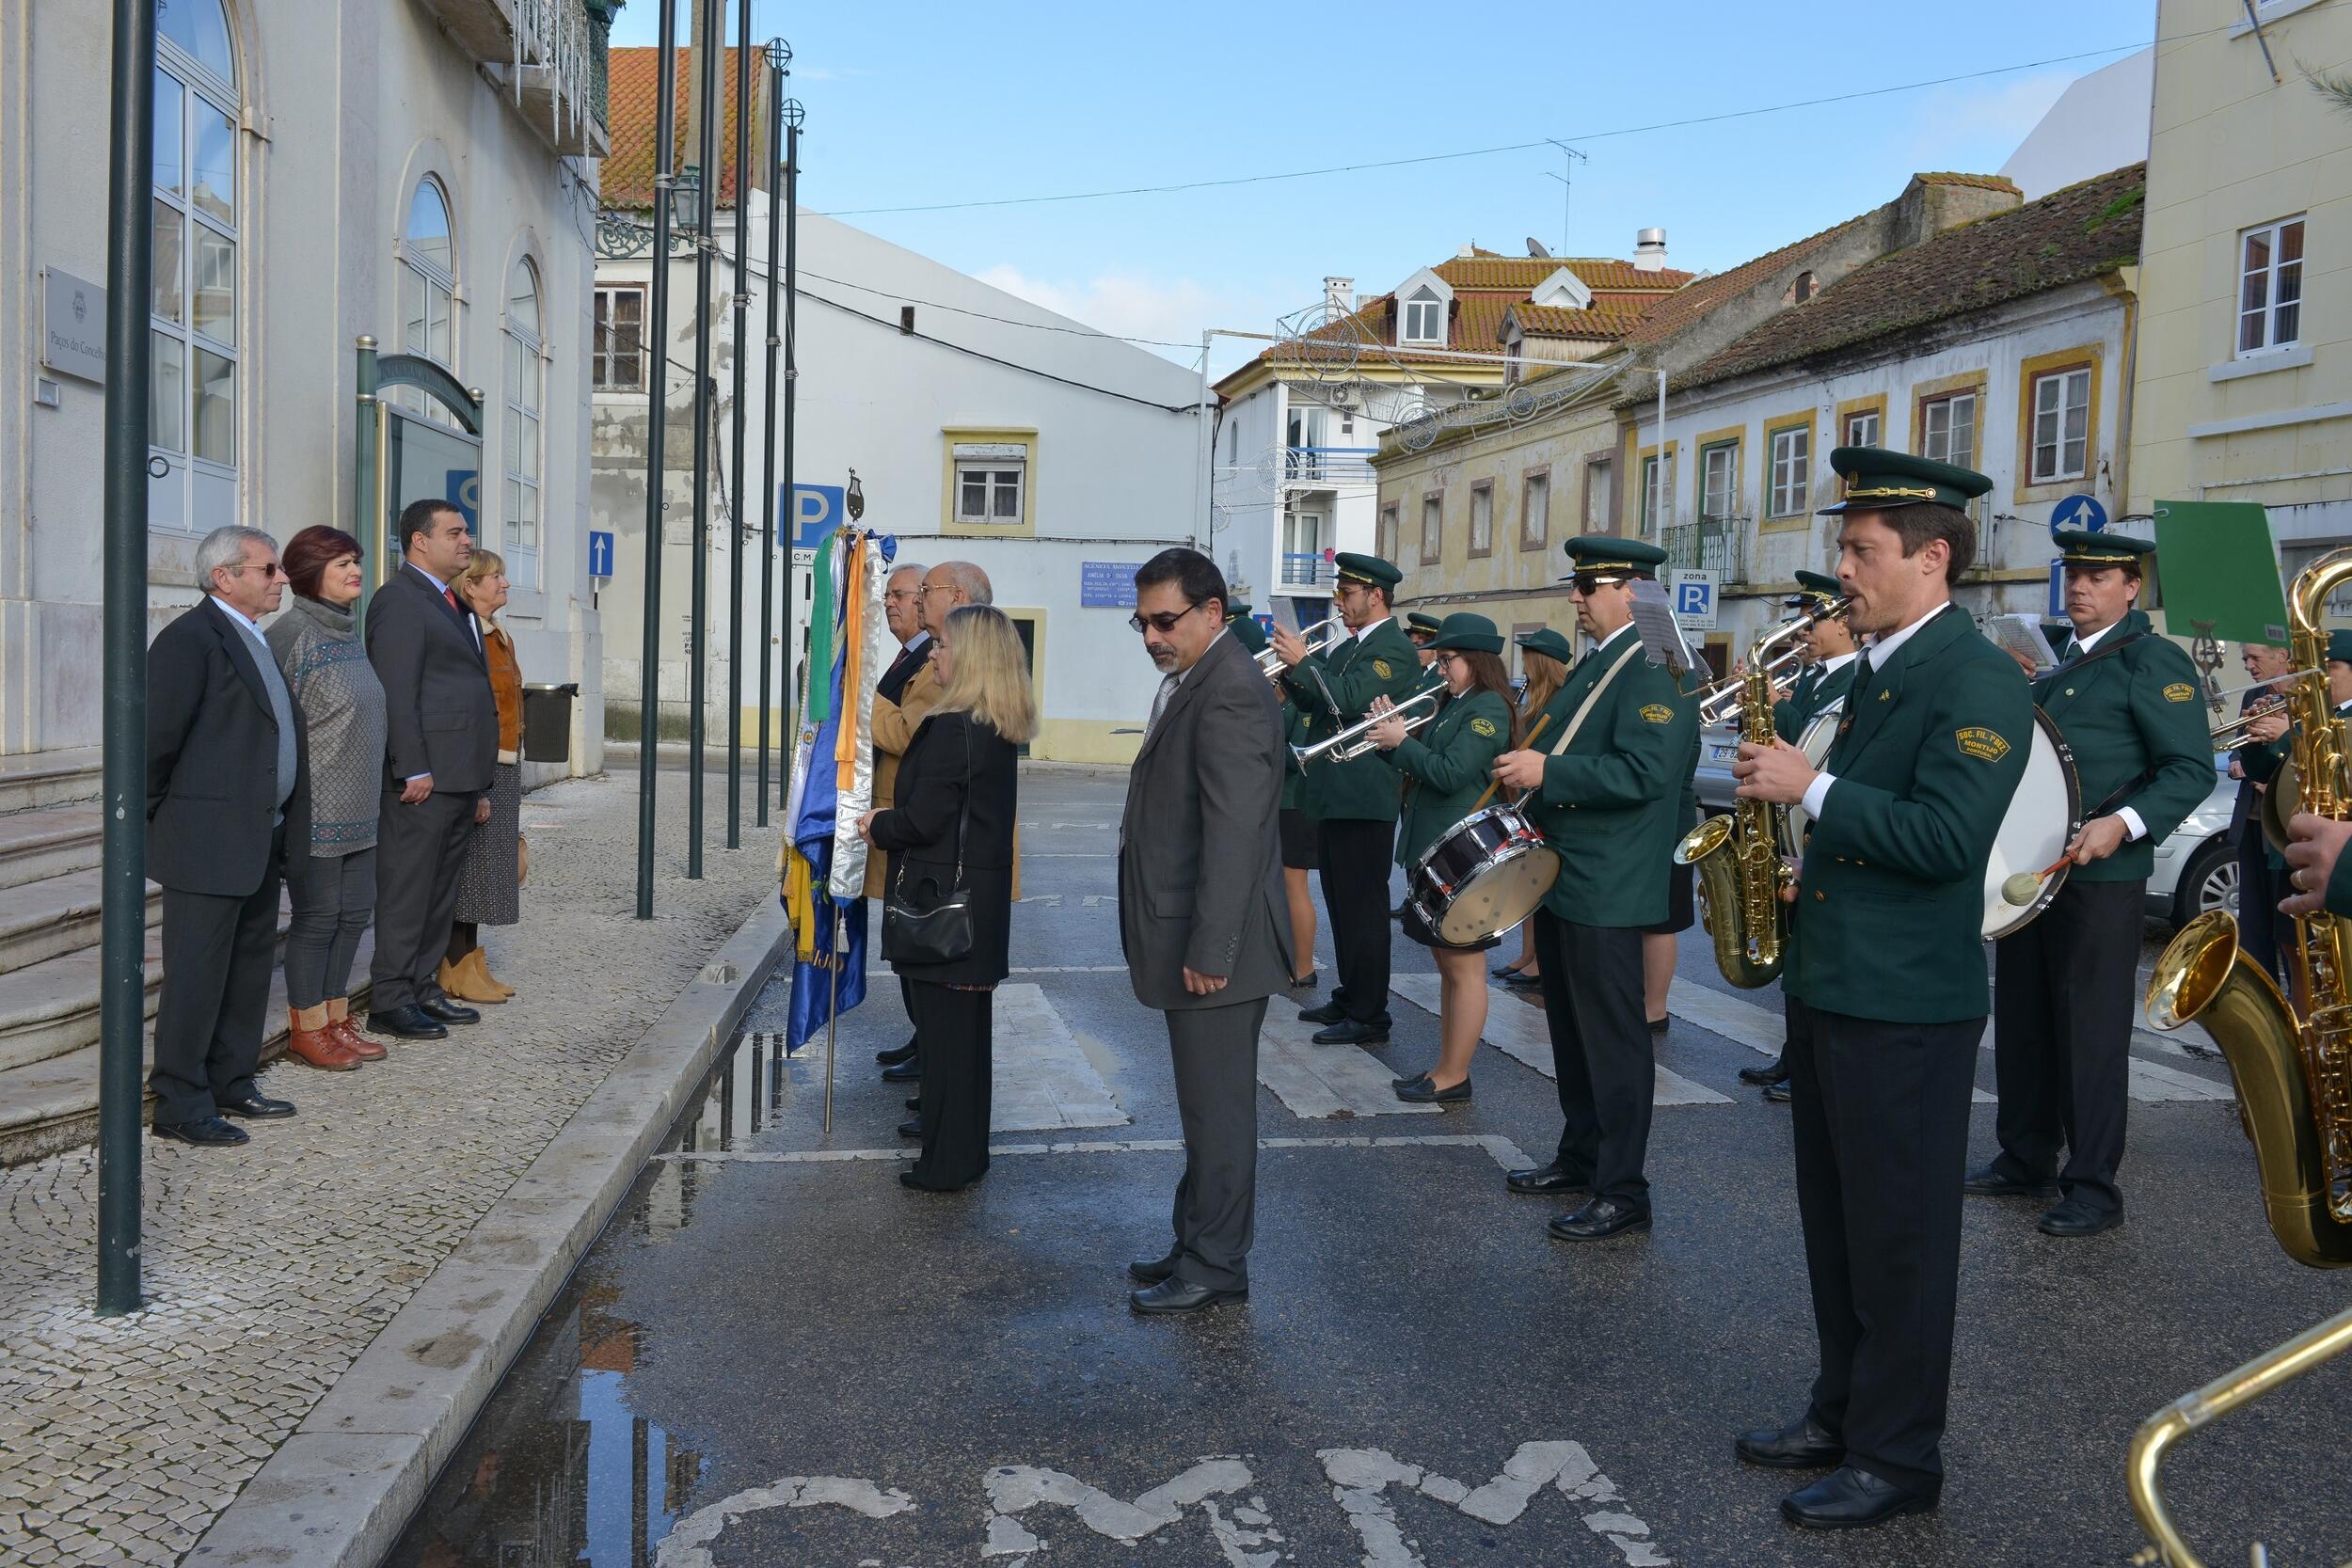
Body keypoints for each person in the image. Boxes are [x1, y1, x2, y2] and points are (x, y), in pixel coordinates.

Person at [1729, 448, 2030, 1528]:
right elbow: (1876, 825)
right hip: (1838, 981)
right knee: (1837, 1222)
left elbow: (1949, 838)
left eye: (1861, 550)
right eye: (1842, 549)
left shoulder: (1976, 673)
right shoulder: (1878, 666)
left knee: (1897, 1235)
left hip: (1905, 1004)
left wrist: (1814, 786)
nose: (1842, 570)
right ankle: (1843, 1408)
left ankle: (1898, 1457)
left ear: (1932, 556)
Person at [1969, 531, 2214, 1237]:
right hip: (2036, 867)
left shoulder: (2151, 660)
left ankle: (2094, 1185)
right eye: (2073, 573)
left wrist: (2127, 824)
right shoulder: (2055, 659)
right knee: (2023, 1017)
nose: (2079, 587)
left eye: (2098, 576)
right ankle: (2026, 1157)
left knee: (2090, 1033)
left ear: (2132, 586)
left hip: (2103, 872)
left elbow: (2189, 768)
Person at [1488, 537, 1694, 1242]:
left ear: (1630, 590)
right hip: (1568, 875)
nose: (1575, 597)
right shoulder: (1603, 662)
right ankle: (1581, 1156)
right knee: (1572, 1034)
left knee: (1612, 1040)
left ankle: (1623, 1187)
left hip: (1610, 880)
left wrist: (1550, 775)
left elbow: (1647, 772)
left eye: (1587, 585)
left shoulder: (1654, 668)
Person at [1118, 547, 1292, 1314]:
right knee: (1202, 1108)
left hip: (1219, 947)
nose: (1153, 635)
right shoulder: (1198, 677)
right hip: (1200, 936)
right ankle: (1197, 1241)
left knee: (1218, 1114)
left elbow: (1235, 832)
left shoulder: (1229, 691)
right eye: (1143, 621)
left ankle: (1217, 1264)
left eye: (1166, 620)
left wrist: (1211, 948)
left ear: (1213, 613)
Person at [859, 604, 1031, 1192]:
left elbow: (924, 820)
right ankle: (963, 1155)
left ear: (973, 659)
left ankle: (946, 1166)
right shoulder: (991, 723)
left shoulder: (953, 726)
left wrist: (877, 824)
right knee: (965, 1047)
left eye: (945, 646)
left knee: (947, 1048)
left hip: (944, 910)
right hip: (972, 911)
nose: (933, 653)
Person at [146, 526, 307, 1146]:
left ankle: (232, 1078)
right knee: (196, 974)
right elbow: (154, 744)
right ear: (225, 576)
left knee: (245, 970)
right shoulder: (190, 640)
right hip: (207, 840)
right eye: (268, 569)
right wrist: (170, 824)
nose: (282, 579)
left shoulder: (253, 637)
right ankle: (181, 1101)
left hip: (259, 834)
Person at [1271, 553, 1422, 1045]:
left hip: (1365, 794)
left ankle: (1371, 1012)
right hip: (1335, 793)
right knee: (1339, 902)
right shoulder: (1347, 646)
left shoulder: (1394, 649)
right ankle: (1351, 993)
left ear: (1375, 595)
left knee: (1364, 909)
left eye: (1348, 593)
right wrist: (1292, 675)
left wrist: (1304, 662)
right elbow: (1318, 701)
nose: (1340, 601)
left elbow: (1351, 697)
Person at [1368, 613, 1518, 1103]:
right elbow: (1421, 763)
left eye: (1449, 659)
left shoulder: (1488, 708)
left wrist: (1403, 742)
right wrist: (1389, 735)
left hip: (1462, 853)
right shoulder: (1455, 703)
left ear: (1475, 660)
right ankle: (1445, 1067)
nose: (1441, 667)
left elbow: (1451, 773)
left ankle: (1455, 1074)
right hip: (1435, 848)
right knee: (1447, 964)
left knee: (1463, 967)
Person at [366, 499, 499, 1041]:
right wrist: (412, 766)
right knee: (408, 888)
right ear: (420, 541)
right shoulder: (400, 600)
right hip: (424, 778)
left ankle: (422, 987)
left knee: (440, 889)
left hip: (460, 775)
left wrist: (481, 782)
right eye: (455, 532)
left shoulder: (453, 601)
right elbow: (398, 691)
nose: (466, 541)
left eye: (467, 531)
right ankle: (391, 997)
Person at [266, 525, 389, 1071]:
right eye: (341, 563)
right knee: (318, 919)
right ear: (310, 572)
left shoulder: (346, 631)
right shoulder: (292, 634)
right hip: (316, 809)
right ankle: (307, 1027)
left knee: (353, 915)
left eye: (355, 561)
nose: (354, 570)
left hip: (363, 807)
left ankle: (338, 1018)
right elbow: (272, 725)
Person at [870, 560, 989, 1087]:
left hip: (935, 844)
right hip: (918, 834)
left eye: (920, 591)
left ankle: (938, 1082)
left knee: (935, 964)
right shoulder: (927, 657)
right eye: (898, 594)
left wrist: (857, 698)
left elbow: (908, 735)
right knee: (918, 956)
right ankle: (929, 1057)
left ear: (956, 596)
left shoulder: (957, 669)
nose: (908, 601)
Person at [1750, 572, 1858, 1101]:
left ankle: (1805, 1061)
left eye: (1813, 620)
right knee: (1795, 949)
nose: (1803, 632)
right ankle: (1794, 1055)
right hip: (1792, 817)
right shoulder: (1816, 675)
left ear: (1843, 622)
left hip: (1819, 819)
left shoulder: (1850, 676)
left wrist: (1772, 704)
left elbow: (1811, 739)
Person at [441, 548, 527, 1005]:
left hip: (505, 761)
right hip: (486, 761)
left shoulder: (497, 635)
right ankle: (454, 965)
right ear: (470, 585)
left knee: (488, 871)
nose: (505, 584)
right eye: (495, 577)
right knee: (472, 872)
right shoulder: (467, 633)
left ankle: (472, 959)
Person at [866, 562, 935, 1076]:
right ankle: (922, 1038)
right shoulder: (910, 655)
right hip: (895, 817)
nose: (890, 603)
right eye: (887, 596)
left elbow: (906, 735)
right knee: (903, 943)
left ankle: (931, 1045)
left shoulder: (934, 660)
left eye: (901, 595)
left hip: (910, 822)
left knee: (916, 942)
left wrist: (858, 699)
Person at [1232, 608, 1321, 990]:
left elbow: (1300, 753)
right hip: (1272, 802)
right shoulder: (1270, 695)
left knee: (1293, 886)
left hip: (1295, 803)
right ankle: (1281, 957)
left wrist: (1258, 740)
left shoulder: (1296, 700)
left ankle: (1304, 968)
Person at [1495, 629, 1571, 992]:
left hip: (1546, 799)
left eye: (1527, 659)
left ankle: (1538, 961)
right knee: (1529, 885)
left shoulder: (1557, 699)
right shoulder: (1531, 697)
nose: (1523, 665)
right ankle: (1528, 954)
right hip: (1530, 800)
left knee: (1540, 886)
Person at [2231, 640, 2296, 982]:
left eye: (2254, 657)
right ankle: (2261, 989)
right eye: (2244, 658)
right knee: (2254, 916)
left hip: (2285, 826)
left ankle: (2294, 997)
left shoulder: (2310, 698)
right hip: (2252, 818)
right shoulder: (2253, 695)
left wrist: (2274, 783)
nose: (2247, 665)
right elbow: (2241, 742)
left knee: (2287, 924)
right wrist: (2239, 761)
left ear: (2282, 656)